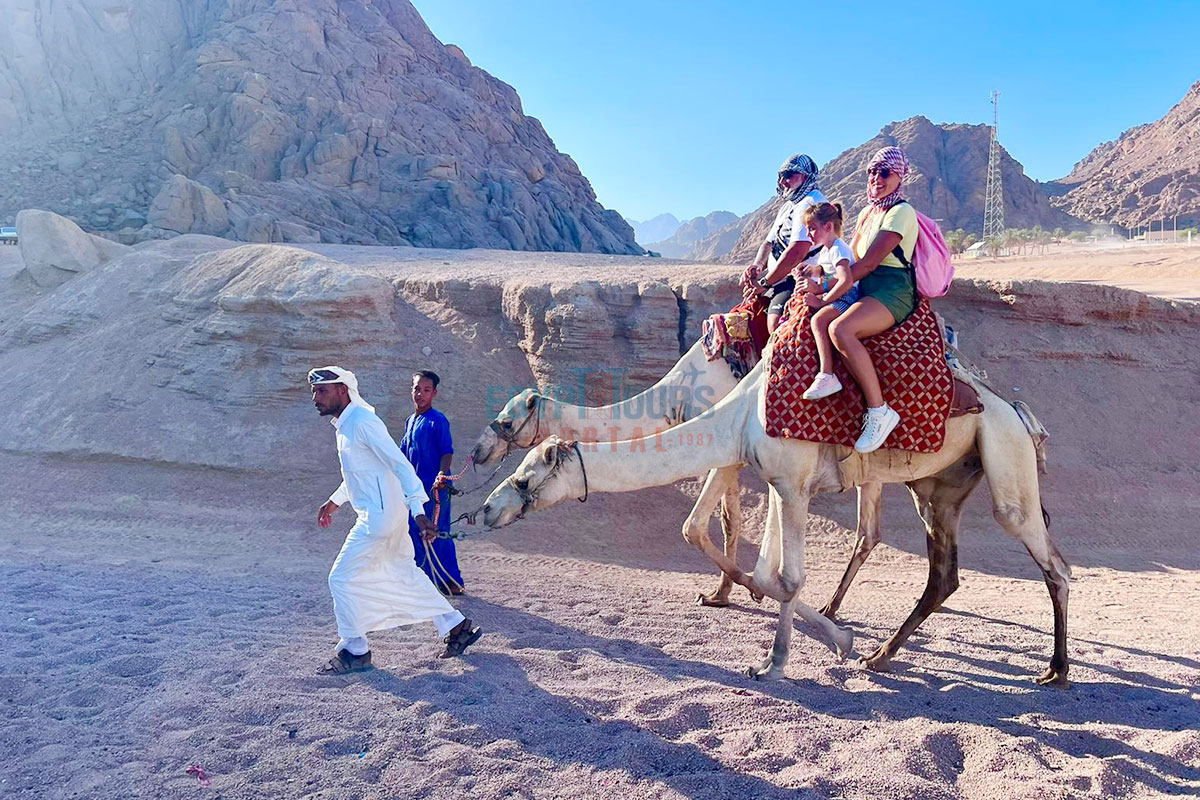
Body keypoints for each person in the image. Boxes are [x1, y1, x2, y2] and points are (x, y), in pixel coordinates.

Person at [309, 366, 481, 674]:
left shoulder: (363, 422)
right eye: (314, 391)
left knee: (341, 578)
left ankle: (355, 650)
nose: (315, 397)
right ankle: (457, 627)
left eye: (322, 391)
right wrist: (335, 501)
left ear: (343, 391)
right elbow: (361, 473)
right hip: (383, 514)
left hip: (378, 518)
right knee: (406, 573)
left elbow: (400, 465)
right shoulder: (345, 426)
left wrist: (419, 511)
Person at [814, 146, 920, 453]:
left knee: (840, 329)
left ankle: (879, 411)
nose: (877, 178)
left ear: (900, 177)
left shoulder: (901, 212)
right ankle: (827, 376)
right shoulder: (866, 213)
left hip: (891, 288)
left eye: (885, 172)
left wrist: (830, 290)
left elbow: (871, 262)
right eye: (872, 171)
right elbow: (850, 261)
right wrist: (821, 281)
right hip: (863, 285)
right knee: (818, 319)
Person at [740, 154, 827, 333]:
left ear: (804, 176)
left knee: (776, 324)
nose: (782, 181)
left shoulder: (811, 203)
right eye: (780, 176)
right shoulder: (789, 206)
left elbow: (797, 251)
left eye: (788, 175)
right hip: (778, 279)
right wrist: (757, 266)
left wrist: (764, 282)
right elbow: (768, 242)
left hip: (799, 280)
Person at [401, 370, 464, 595]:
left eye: (426, 390)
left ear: (434, 393)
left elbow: (447, 452)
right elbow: (401, 455)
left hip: (435, 489)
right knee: (414, 531)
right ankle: (425, 581)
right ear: (412, 389)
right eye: (417, 389)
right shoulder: (410, 421)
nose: (420, 394)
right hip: (413, 491)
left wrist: (441, 476)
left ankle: (453, 582)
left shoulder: (437, 420)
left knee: (439, 532)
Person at [797, 201, 859, 400]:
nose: (809, 234)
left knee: (818, 320)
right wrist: (812, 271)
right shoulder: (827, 250)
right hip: (837, 292)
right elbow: (826, 269)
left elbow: (846, 280)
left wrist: (823, 301)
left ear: (828, 227)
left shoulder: (838, 249)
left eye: (812, 229)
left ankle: (827, 375)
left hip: (847, 296)